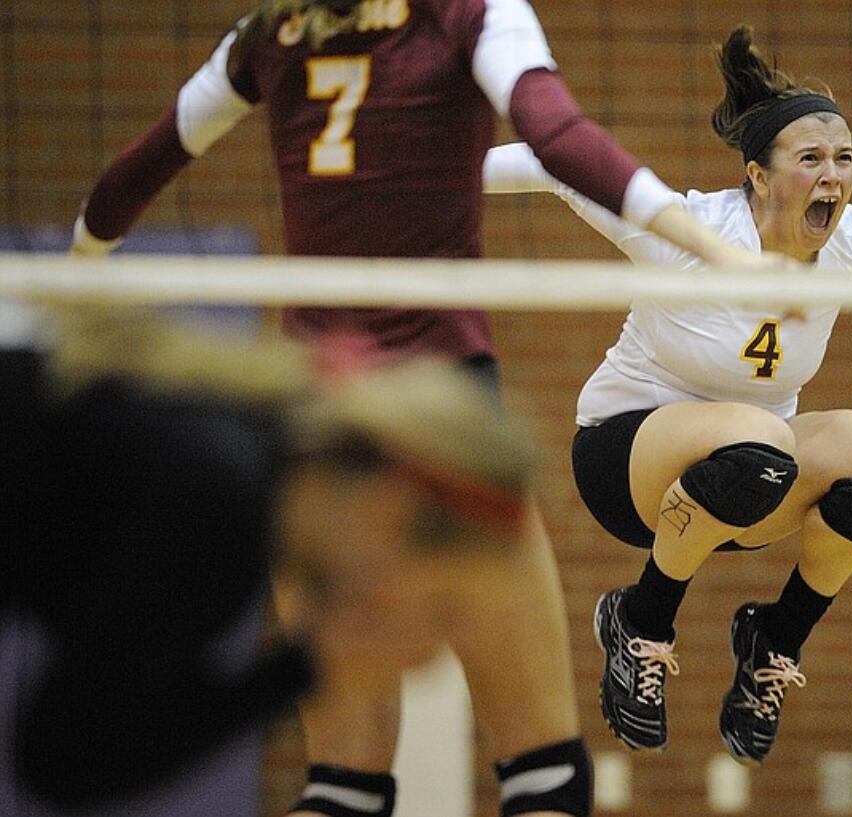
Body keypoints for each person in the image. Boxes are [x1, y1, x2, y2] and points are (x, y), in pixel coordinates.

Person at [67, 1, 788, 815]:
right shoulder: (467, 13)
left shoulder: (267, 34)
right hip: (446, 424)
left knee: (341, 781)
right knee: (545, 769)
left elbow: (134, 172)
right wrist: (720, 251)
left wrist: (72, 276)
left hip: (315, 428)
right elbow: (558, 136)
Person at [483, 24, 852, 765]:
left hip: (751, 479)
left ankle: (771, 640)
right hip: (627, 456)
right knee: (761, 440)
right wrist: (421, 171)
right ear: (755, 175)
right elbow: (555, 166)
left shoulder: (847, 242)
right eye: (809, 159)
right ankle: (641, 621)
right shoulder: (689, 234)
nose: (833, 176)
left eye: (844, 159)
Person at [0, 305, 535, 817]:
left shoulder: (238, 442)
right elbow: (60, 761)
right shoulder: (218, 507)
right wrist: (304, 669)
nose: (422, 634)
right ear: (391, 510)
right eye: (439, 605)